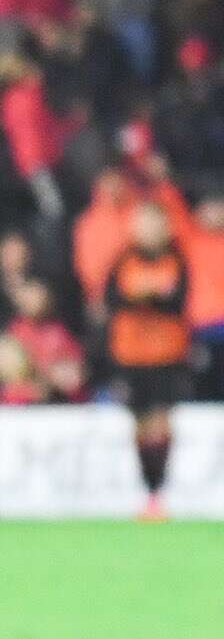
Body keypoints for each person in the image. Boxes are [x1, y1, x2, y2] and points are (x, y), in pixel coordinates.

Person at [102, 202, 189, 522]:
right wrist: (148, 296)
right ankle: (144, 491)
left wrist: (145, 297)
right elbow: (113, 300)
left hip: (167, 354)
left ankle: (161, 490)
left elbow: (177, 302)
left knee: (161, 422)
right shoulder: (122, 260)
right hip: (130, 354)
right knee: (138, 423)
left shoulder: (177, 260)